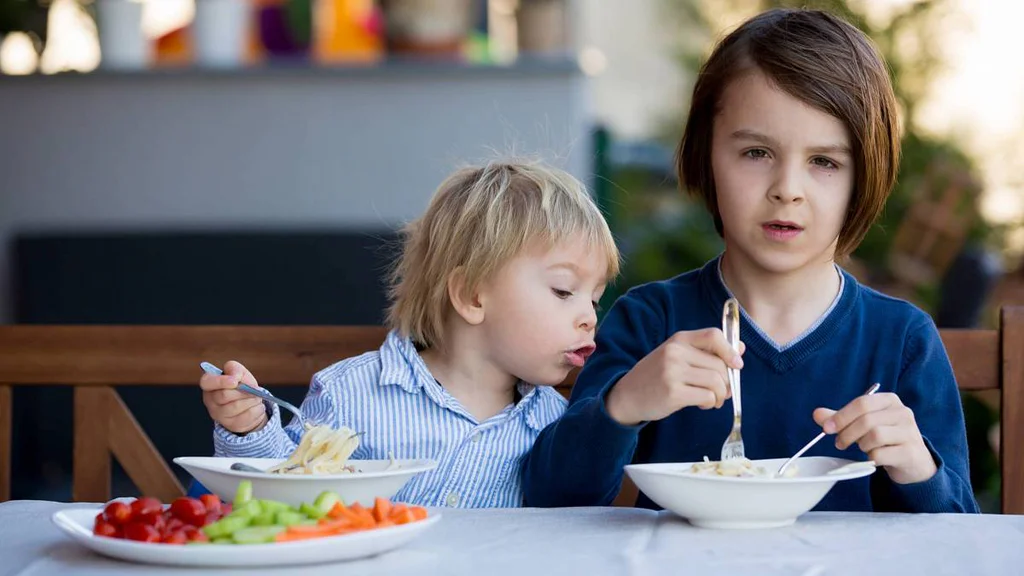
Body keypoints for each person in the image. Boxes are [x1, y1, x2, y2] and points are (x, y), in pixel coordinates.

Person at [522, 8, 978, 513]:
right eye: (757, 153)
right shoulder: (651, 321)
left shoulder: (903, 340)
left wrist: (918, 469)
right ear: (706, 155)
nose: (787, 190)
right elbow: (553, 499)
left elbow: (958, 535)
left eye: (824, 162)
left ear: (862, 179)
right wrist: (623, 406)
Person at [200, 159, 619, 508]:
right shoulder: (351, 392)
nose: (588, 317)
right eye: (564, 290)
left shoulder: (553, 422)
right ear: (473, 296)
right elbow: (278, 493)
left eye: (595, 299)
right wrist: (248, 430)